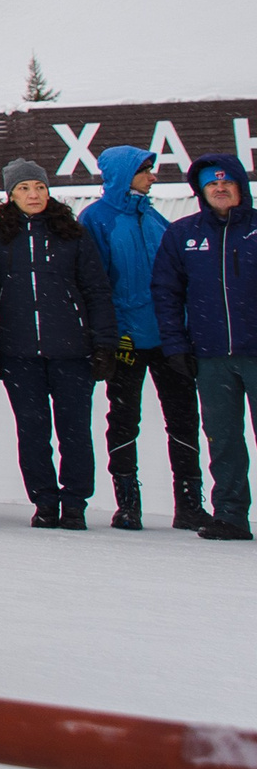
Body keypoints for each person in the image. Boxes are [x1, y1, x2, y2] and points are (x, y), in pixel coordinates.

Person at [0, 160, 116, 530]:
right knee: (32, 430)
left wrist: (103, 343)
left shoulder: (72, 234)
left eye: (39, 187)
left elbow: (96, 291)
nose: (34, 195)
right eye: (24, 188)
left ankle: (74, 501)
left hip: (72, 352)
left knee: (74, 430)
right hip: (18, 352)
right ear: (10, 195)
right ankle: (43, 500)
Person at [84, 146, 210, 530]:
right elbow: (94, 286)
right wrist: (104, 339)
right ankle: (128, 504)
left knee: (183, 418)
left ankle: (188, 504)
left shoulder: (156, 218)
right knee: (124, 418)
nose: (153, 176)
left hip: (168, 337)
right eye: (146, 171)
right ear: (124, 174)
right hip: (125, 340)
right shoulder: (96, 220)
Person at [150, 153, 257, 541]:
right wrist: (175, 344)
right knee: (223, 439)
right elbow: (165, 292)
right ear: (201, 191)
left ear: (241, 188)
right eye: (212, 183)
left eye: (227, 183)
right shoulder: (182, 234)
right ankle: (229, 514)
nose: (221, 188)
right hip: (210, 356)